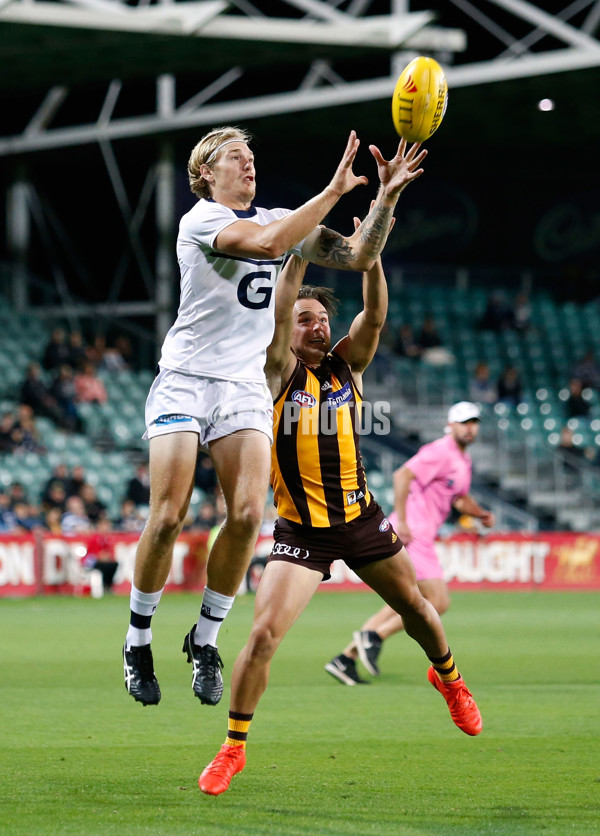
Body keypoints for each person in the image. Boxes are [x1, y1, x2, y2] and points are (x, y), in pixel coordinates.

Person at [122, 124, 429, 709]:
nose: (248, 162)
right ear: (206, 174)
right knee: (168, 515)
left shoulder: (282, 218)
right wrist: (334, 191)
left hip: (241, 384)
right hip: (187, 378)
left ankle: (205, 640)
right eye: (234, 156)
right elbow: (266, 246)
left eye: (252, 154)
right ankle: (138, 639)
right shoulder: (202, 220)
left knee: (244, 516)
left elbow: (360, 255)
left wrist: (385, 197)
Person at [198, 234, 483, 797]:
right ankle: (233, 748)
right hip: (301, 532)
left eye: (323, 318)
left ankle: (448, 678)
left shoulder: (346, 368)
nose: (317, 326)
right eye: (306, 319)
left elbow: (374, 314)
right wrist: (299, 246)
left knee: (420, 607)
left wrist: (371, 255)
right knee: (260, 639)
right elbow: (279, 319)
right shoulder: (275, 372)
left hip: (361, 520)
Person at [328, 401, 495, 683]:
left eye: (474, 423)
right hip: (413, 532)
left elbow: (459, 497)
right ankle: (374, 636)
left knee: (404, 599)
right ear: (450, 425)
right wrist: (402, 521)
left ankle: (345, 659)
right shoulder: (441, 451)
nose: (470, 428)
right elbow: (402, 475)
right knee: (437, 601)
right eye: (464, 422)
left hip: (421, 533)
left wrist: (480, 514)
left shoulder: (462, 460)